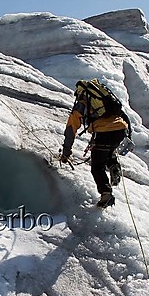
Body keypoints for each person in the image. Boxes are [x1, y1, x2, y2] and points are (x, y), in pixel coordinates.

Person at [60, 80, 130, 208]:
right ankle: (113, 164)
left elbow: (71, 130)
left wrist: (66, 152)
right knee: (108, 151)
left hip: (103, 133)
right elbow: (122, 114)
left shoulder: (82, 104)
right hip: (120, 130)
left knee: (97, 166)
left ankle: (106, 194)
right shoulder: (105, 99)